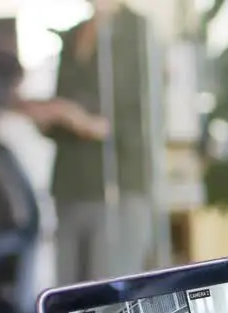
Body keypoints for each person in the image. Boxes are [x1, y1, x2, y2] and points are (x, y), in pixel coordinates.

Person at [42, 0, 157, 287]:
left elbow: (146, 115)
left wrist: (90, 124)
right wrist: (49, 116)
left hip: (118, 184)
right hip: (72, 185)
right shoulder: (73, 35)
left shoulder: (139, 31)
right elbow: (64, 105)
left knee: (106, 294)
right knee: (68, 293)